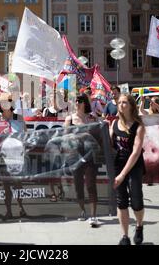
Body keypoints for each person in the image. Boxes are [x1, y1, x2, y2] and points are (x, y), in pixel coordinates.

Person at [109, 93, 146, 245]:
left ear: (131, 106)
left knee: (136, 200)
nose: (121, 105)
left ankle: (139, 226)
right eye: (119, 103)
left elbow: (136, 152)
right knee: (121, 201)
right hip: (118, 164)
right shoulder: (114, 123)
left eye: (125, 102)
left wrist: (123, 174)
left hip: (134, 165)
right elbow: (110, 146)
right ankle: (125, 236)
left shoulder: (139, 126)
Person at [0, 93, 28, 220]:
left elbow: (26, 136)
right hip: (3, 157)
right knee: (6, 186)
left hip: (17, 157)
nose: (5, 104)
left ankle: (21, 207)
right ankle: (8, 211)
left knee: (18, 184)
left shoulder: (19, 118)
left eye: (7, 101)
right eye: (2, 102)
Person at [64, 93, 98, 227]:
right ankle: (83, 211)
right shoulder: (69, 118)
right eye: (75, 101)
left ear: (85, 103)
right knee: (78, 185)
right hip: (75, 154)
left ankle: (94, 216)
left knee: (91, 184)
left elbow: (99, 133)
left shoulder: (91, 117)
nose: (77, 103)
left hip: (90, 154)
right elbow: (65, 137)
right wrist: (77, 136)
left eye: (79, 101)